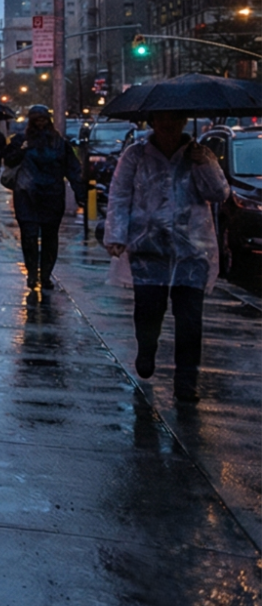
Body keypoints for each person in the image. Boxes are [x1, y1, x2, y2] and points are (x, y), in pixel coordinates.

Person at [103, 110, 229, 402]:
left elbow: (220, 193)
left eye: (175, 119)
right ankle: (146, 351)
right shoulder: (135, 155)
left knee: (189, 319)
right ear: (153, 122)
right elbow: (120, 193)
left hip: (192, 250)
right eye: (162, 119)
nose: (168, 125)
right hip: (148, 248)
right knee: (148, 309)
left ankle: (186, 380)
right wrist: (116, 235)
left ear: (185, 122)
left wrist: (205, 165)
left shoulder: (201, 155)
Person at [1, 103, 82, 290]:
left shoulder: (59, 143)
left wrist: (80, 192)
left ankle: (45, 275)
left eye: (44, 120)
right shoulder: (21, 139)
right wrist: (21, 149)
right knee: (29, 237)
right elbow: (9, 159)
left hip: (52, 196)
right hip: (26, 196)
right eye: (36, 120)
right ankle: (32, 274)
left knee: (49, 238)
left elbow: (72, 168)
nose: (40, 124)